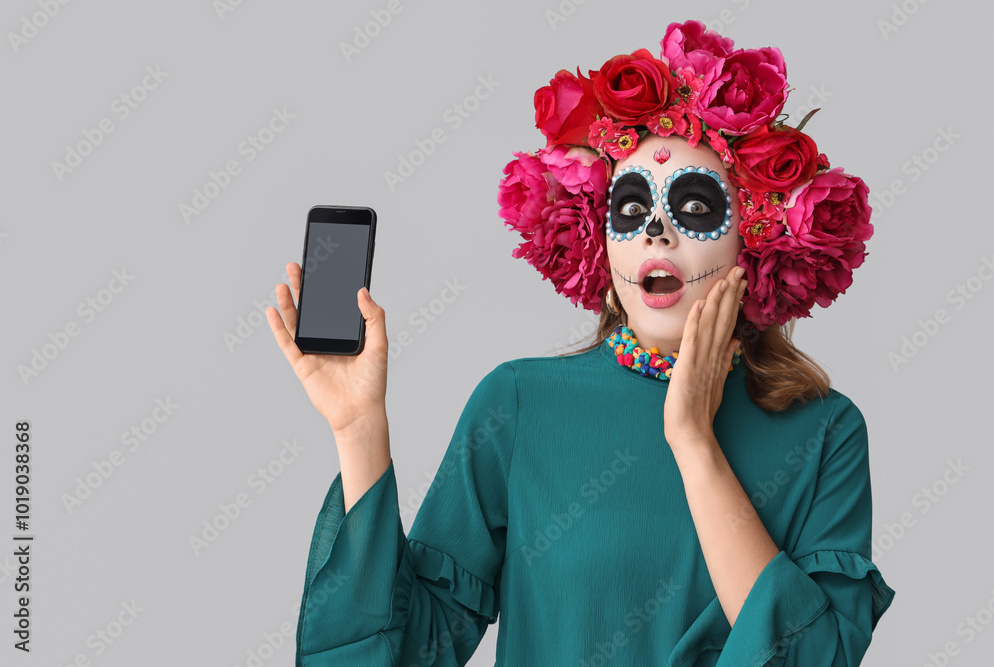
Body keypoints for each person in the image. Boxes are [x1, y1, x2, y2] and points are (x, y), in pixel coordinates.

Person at [267, 20, 895, 666]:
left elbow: (815, 656)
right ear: (601, 240)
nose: (655, 231)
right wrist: (359, 429)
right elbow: (394, 657)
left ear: (757, 237)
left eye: (697, 206)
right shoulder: (516, 403)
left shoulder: (826, 431)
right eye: (629, 209)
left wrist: (694, 442)